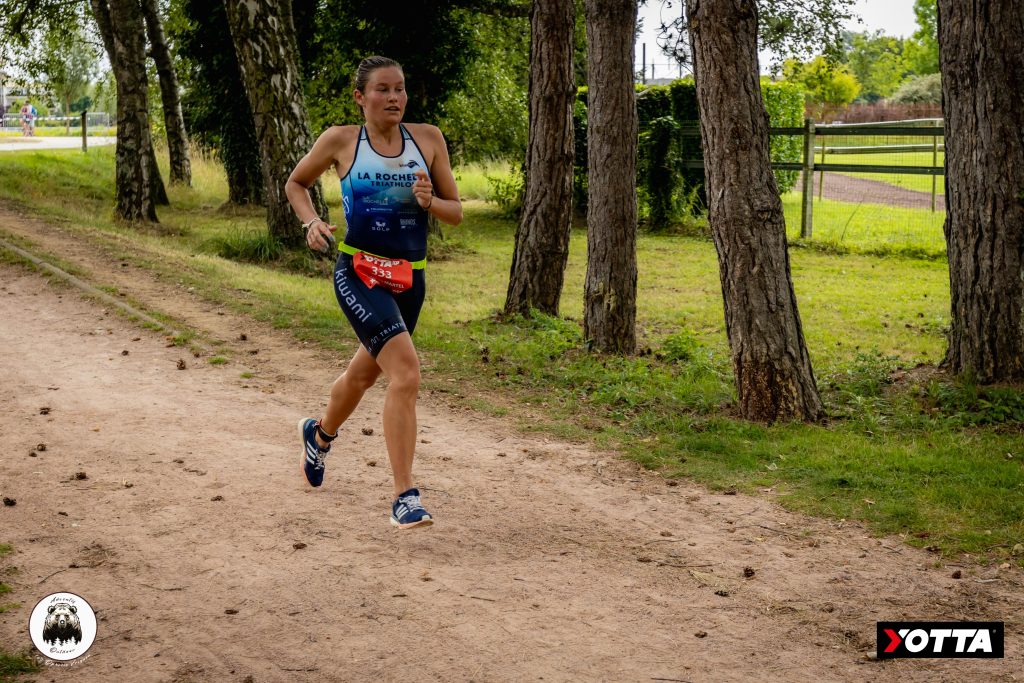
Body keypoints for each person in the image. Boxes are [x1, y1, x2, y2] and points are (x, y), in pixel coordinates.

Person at [285, 56, 462, 529]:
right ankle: (405, 496)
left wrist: (430, 201)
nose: (394, 97)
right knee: (405, 373)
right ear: (360, 97)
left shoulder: (428, 140)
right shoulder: (341, 140)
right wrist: (311, 221)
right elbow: (296, 183)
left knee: (363, 375)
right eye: (383, 89)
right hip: (360, 273)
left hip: (410, 280)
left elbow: (456, 212)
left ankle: (318, 436)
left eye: (399, 88)